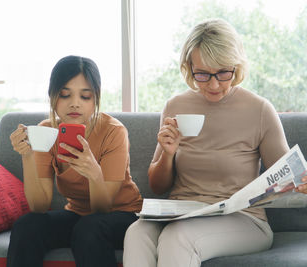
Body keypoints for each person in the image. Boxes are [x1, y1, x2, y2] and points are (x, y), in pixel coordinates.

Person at [123, 18, 307, 267]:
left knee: (178, 238)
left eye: (223, 72)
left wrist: (301, 182)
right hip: (183, 212)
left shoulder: (260, 109)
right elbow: (157, 186)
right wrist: (168, 154)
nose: (213, 84)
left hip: (243, 219)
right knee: (137, 233)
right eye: (203, 74)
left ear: (236, 66)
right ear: (189, 67)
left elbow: (288, 174)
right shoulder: (175, 107)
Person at [7, 55, 142, 267]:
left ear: (96, 99)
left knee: (89, 228)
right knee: (27, 225)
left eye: (85, 96)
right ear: (52, 97)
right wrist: (28, 155)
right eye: (64, 95)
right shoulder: (46, 132)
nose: (75, 104)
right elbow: (39, 206)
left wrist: (94, 174)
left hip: (123, 216)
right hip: (78, 217)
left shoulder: (113, 132)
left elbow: (102, 208)